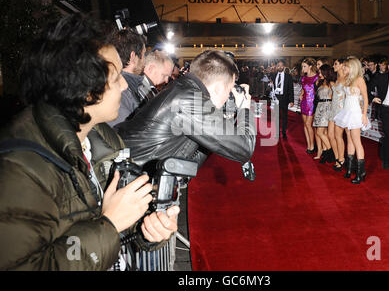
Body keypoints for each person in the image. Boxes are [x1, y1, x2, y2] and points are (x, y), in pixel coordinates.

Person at [0, 14, 179, 270]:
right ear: (86, 90)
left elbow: (117, 235)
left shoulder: (103, 140)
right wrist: (109, 224)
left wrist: (149, 231)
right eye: (117, 78)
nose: (125, 88)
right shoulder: (20, 169)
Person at [116, 49, 256, 170]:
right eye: (229, 89)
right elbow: (245, 147)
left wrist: (225, 119)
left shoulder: (182, 89)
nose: (229, 96)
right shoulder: (188, 100)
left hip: (137, 178)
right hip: (130, 182)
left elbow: (190, 163)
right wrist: (245, 108)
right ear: (219, 87)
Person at [333, 58, 369, 184]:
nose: (344, 68)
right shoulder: (349, 79)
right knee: (349, 140)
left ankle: (360, 173)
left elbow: (365, 98)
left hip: (355, 113)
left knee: (357, 142)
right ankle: (349, 169)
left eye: (346, 67)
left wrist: (364, 114)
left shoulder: (359, 80)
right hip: (347, 112)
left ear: (353, 67)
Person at [107, 29, 147, 127]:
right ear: (133, 56)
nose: (144, 61)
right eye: (143, 55)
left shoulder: (133, 86)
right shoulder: (121, 91)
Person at [312, 64, 335, 164]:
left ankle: (330, 152)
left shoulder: (332, 83)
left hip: (327, 107)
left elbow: (336, 96)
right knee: (323, 133)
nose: (319, 74)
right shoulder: (320, 82)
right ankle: (326, 154)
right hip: (319, 107)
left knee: (319, 132)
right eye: (319, 72)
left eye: (321, 72)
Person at [329, 58, 347, 171]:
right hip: (333, 108)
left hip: (341, 110)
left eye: (335, 64)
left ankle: (341, 159)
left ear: (342, 65)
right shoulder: (336, 78)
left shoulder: (346, 78)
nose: (333, 66)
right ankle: (337, 157)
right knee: (331, 135)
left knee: (338, 136)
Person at [271, 60, 294, 139]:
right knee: (276, 116)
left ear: (284, 67)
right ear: (276, 67)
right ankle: (277, 132)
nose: (280, 67)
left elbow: (291, 89)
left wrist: (291, 100)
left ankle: (284, 132)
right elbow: (272, 87)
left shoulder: (288, 76)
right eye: (278, 65)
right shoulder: (273, 75)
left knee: (284, 117)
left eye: (281, 66)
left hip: (285, 98)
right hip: (276, 98)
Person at [300, 58, 319, 153]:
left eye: (304, 66)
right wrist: (301, 94)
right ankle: (309, 145)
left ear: (310, 66)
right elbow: (303, 89)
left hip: (312, 104)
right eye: (302, 67)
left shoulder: (317, 77)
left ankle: (312, 146)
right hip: (304, 102)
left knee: (308, 124)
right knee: (305, 125)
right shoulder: (303, 78)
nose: (303, 69)